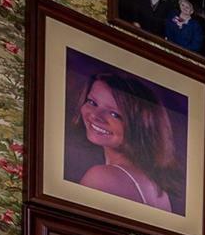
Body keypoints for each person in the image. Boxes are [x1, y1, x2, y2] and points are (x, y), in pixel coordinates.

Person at [70, 70, 177, 212]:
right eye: (92, 102)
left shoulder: (101, 178)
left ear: (139, 126)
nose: (95, 116)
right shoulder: (157, 188)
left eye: (114, 114)